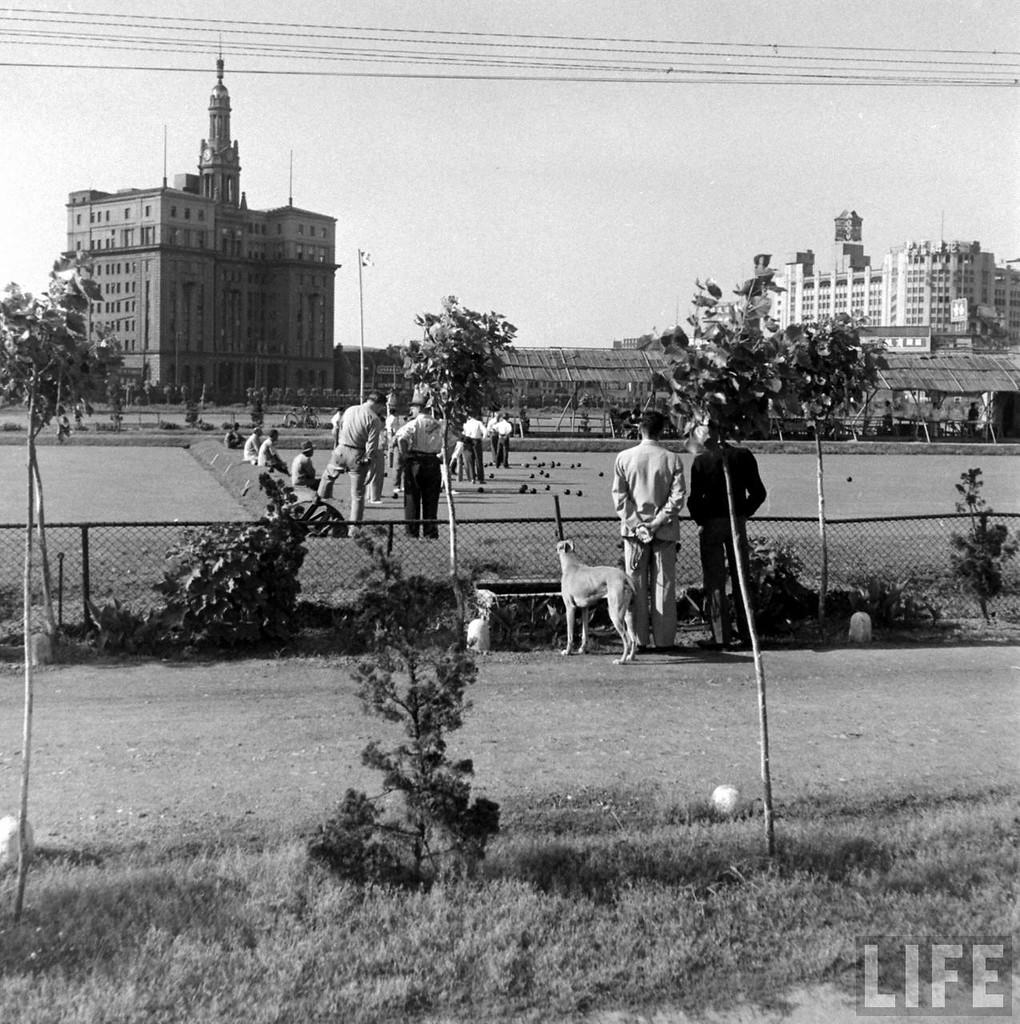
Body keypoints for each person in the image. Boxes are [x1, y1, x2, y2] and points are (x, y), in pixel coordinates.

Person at [686, 421, 767, 651]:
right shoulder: (743, 456)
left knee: (714, 581)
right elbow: (759, 493)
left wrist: (701, 521)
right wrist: (743, 513)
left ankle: (721, 636)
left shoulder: (701, 459)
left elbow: (694, 499)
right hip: (736, 521)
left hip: (712, 523)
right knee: (742, 578)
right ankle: (748, 633)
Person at [611, 409, 687, 652]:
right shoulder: (672, 459)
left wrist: (637, 524)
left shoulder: (624, 458)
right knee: (664, 584)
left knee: (634, 586)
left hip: (634, 534)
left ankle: (638, 639)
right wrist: (657, 522)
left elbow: (620, 497)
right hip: (664, 531)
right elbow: (678, 497)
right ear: (662, 430)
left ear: (639, 429)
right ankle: (664, 640)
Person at [318, 390, 386, 525]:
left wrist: (337, 445)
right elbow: (372, 448)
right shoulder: (374, 419)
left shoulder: (350, 410)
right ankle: (354, 528)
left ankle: (318, 502)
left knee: (327, 478)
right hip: (357, 454)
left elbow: (337, 429)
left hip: (340, 450)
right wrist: (371, 467)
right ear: (379, 405)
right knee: (358, 496)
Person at [394, 392, 443, 538]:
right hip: (433, 461)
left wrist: (404, 454)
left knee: (412, 498)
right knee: (431, 499)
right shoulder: (438, 424)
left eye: (413, 407)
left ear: (418, 408)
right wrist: (441, 455)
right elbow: (452, 441)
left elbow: (401, 438)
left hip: (416, 460)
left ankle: (412, 531)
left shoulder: (414, 423)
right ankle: (430, 531)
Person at [460, 410, 486, 484]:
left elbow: (463, 432)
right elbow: (485, 431)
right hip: (476, 440)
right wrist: (483, 438)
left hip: (467, 440)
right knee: (478, 460)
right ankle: (481, 478)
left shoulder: (465, 423)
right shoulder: (478, 423)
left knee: (470, 461)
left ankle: (472, 478)